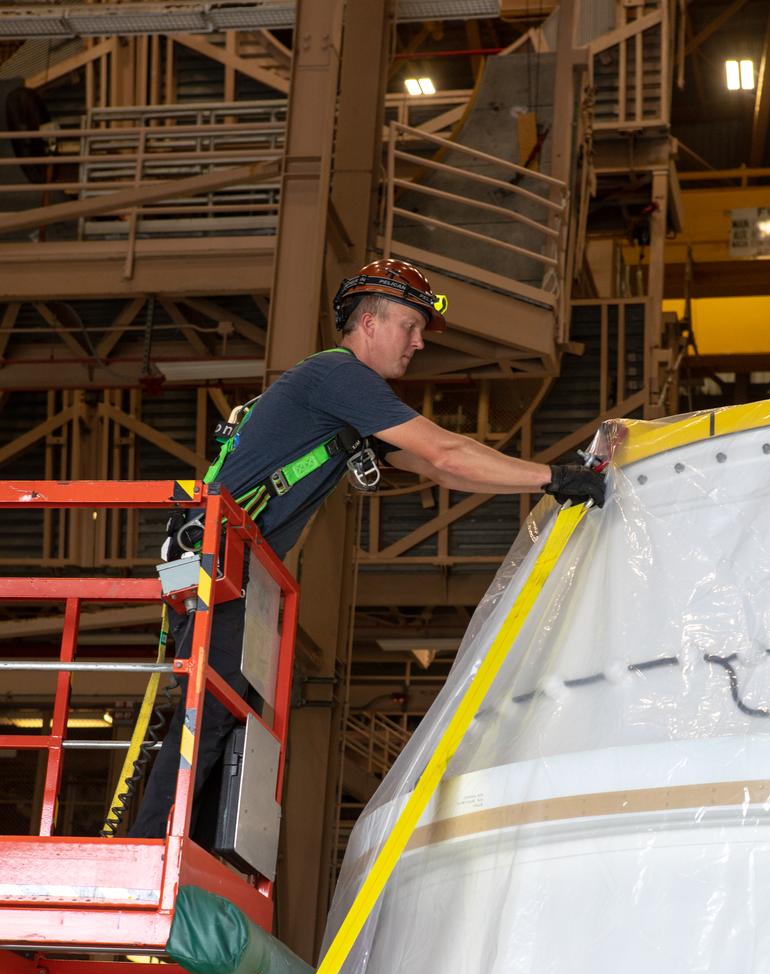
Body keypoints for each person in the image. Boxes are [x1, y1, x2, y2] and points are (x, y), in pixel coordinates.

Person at [130, 259, 605, 839]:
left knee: (227, 717)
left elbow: (443, 471)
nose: (419, 342)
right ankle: (156, 847)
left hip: (232, 570)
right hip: (224, 566)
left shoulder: (344, 406)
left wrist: (551, 480)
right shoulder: (339, 377)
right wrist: (553, 478)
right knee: (213, 713)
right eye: (410, 325)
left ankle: (182, 849)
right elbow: (447, 452)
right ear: (370, 323)